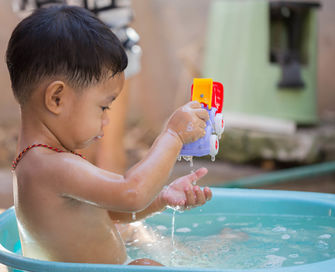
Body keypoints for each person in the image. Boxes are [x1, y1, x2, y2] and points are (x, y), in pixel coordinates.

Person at [6, 5, 212, 266]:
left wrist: (161, 199)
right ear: (57, 98)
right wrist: (172, 135)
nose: (107, 119)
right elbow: (131, 192)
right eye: (103, 106)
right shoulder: (50, 166)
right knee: (148, 266)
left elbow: (107, 209)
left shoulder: (42, 162)